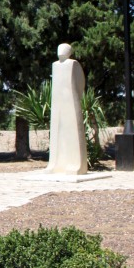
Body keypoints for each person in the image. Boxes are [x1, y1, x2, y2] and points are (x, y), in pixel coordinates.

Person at [45, 43, 87, 175]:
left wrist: (75, 97)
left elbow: (81, 82)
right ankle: (55, 164)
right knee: (57, 132)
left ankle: (76, 164)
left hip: (71, 101)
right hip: (57, 102)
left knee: (72, 131)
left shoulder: (73, 64)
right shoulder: (55, 65)